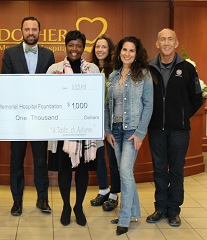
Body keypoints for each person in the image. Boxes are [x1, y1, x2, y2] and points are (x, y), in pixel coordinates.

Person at [146, 28, 202, 227]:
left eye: (170, 39)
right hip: (156, 130)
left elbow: (196, 97)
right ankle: (160, 208)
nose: (166, 43)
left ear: (176, 43)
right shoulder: (149, 68)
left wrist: (182, 115)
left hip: (179, 130)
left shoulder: (187, 68)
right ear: (157, 44)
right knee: (159, 170)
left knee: (176, 171)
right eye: (163, 39)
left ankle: (174, 210)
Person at [1, 16, 55, 216]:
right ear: (21, 31)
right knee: (16, 160)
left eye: (34, 29)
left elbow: (50, 87)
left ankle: (43, 199)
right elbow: (6, 85)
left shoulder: (48, 55)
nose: (31, 32)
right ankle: (17, 201)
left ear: (39, 32)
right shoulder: (9, 53)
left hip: (41, 118)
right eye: (27, 29)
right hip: (18, 118)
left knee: (41, 161)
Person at [47, 30, 101, 226]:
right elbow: (46, 96)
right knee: (64, 170)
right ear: (65, 46)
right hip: (63, 129)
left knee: (82, 171)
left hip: (85, 129)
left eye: (79, 45)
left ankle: (78, 206)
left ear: (83, 47)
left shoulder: (93, 69)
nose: (75, 49)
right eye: (71, 45)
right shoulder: (54, 68)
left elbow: (97, 99)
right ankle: (66, 206)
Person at [105, 36, 153, 235]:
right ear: (119, 52)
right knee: (124, 172)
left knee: (125, 172)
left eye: (131, 51)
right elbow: (107, 105)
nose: (127, 54)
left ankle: (124, 218)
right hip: (115, 130)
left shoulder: (144, 75)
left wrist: (141, 132)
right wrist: (107, 131)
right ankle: (132, 211)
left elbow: (149, 105)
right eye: (124, 50)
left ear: (137, 54)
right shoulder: (114, 76)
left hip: (132, 131)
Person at [89, 35, 121, 211]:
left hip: (111, 122)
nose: (100, 50)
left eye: (104, 47)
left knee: (114, 160)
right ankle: (103, 190)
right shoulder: (89, 69)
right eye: (97, 47)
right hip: (93, 121)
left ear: (110, 50)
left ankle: (115, 194)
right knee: (99, 158)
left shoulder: (115, 70)